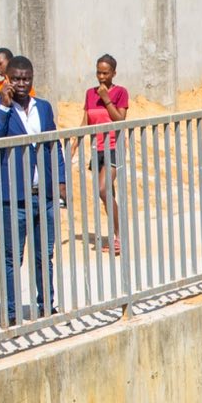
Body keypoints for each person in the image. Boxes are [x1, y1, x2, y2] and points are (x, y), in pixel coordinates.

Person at [0, 55, 66, 323]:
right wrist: (5, 109)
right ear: (7, 79)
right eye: (15, 78)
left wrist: (60, 178)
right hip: (13, 196)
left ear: (32, 79)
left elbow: (54, 144)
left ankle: (45, 305)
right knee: (11, 257)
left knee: (45, 255)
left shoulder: (43, 107)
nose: (20, 83)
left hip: (44, 194)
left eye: (25, 79)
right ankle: (11, 311)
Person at [79, 54, 129, 253]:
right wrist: (74, 144)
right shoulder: (90, 93)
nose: (101, 76)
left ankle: (119, 234)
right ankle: (117, 234)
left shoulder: (120, 93)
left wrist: (107, 100)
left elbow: (120, 120)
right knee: (108, 193)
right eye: (98, 72)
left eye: (105, 73)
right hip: (96, 148)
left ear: (113, 73)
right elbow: (86, 121)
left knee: (103, 189)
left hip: (113, 147)